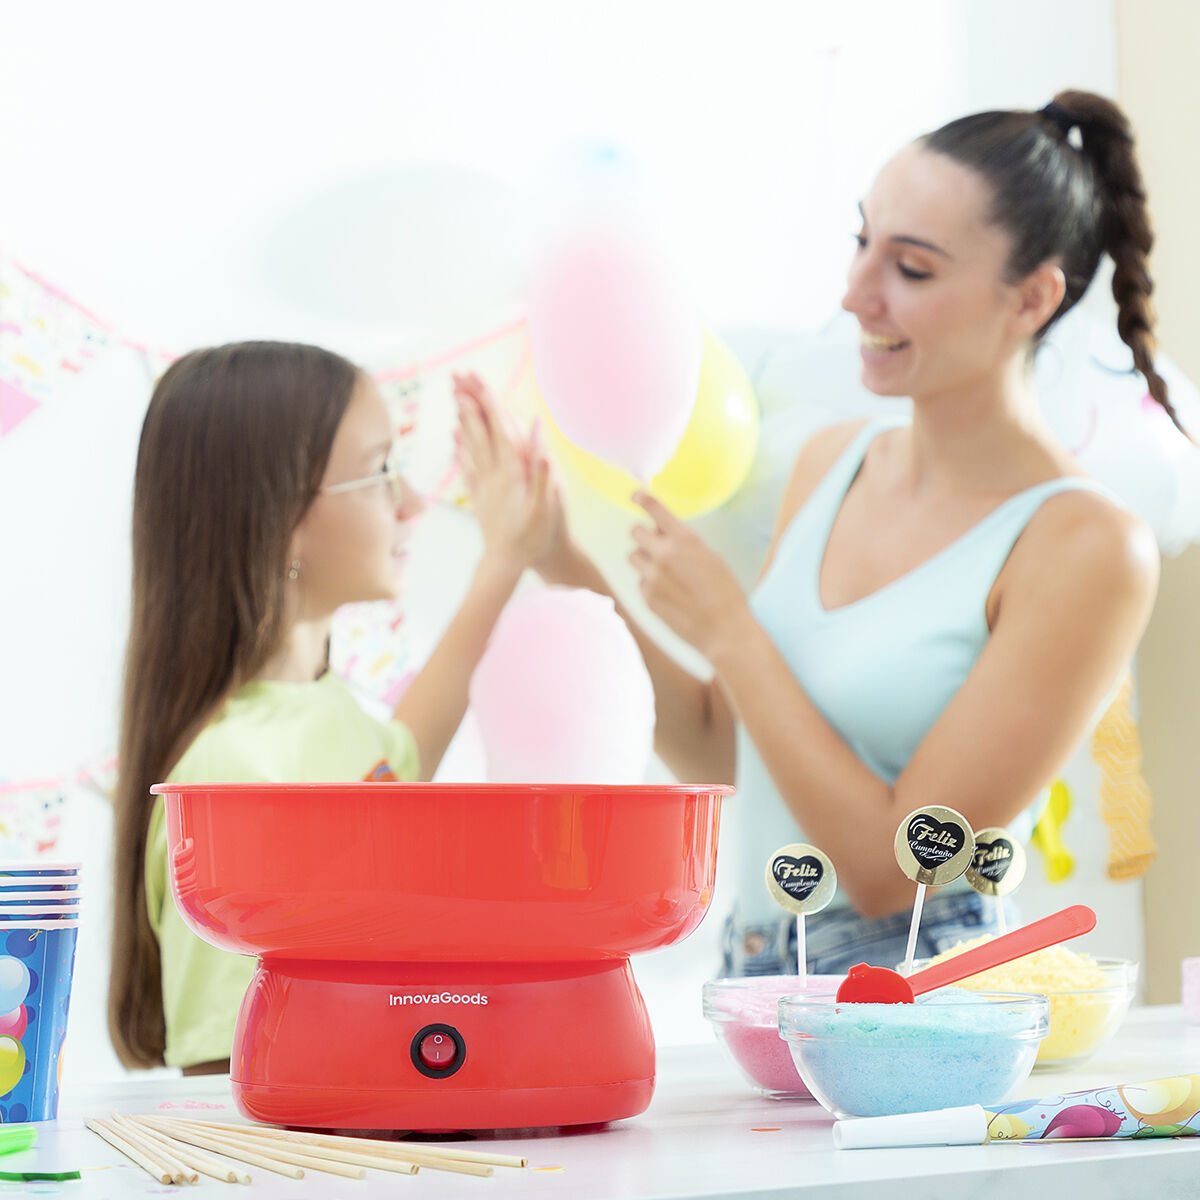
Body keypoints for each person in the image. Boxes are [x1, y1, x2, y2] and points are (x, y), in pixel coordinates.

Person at [530, 90, 1172, 976]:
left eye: (911, 269)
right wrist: (563, 562)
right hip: (761, 976)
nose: (856, 294)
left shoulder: (1087, 545)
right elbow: (736, 747)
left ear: (1030, 298)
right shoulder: (832, 463)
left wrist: (729, 630)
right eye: (862, 241)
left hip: (917, 991)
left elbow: (896, 872)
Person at [110, 343, 557, 1073]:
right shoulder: (234, 778)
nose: (412, 502)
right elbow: (231, 1078)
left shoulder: (323, 714)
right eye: (381, 471)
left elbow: (399, 761)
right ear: (282, 514)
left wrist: (505, 559)